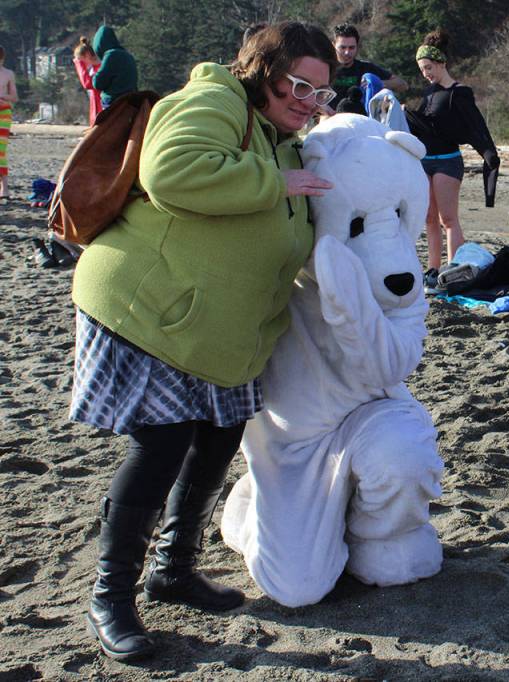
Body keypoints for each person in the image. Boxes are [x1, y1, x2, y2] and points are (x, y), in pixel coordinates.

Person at [69, 21, 337, 661]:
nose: (309, 101)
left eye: (321, 93)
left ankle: (174, 568)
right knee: (160, 445)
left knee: (218, 437)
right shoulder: (213, 100)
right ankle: (111, 596)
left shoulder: (286, 142)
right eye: (299, 84)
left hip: (221, 334)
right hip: (153, 311)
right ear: (261, 71)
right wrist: (278, 184)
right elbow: (174, 170)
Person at [405, 29, 500, 283]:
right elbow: (422, 125)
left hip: (448, 160)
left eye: (428, 67)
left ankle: (454, 269)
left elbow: (476, 125)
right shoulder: (428, 93)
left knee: (447, 219)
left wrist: (488, 152)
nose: (425, 73)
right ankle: (433, 269)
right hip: (424, 160)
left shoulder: (460, 93)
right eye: (422, 69)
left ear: (441, 63)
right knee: (428, 218)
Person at [329, 23, 407, 112]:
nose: (347, 52)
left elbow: (402, 85)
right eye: (342, 48)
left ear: (357, 47)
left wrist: (378, 83)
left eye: (351, 48)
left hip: (362, 122)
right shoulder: (325, 69)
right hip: (331, 120)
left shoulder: (366, 68)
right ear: (333, 46)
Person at [91, 26, 137, 109]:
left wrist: (95, 75)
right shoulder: (128, 55)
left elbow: (98, 83)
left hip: (114, 101)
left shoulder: (111, 55)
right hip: (132, 100)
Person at [0, 46, 17, 203]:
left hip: (3, 113)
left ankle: (4, 187)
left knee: (0, 151)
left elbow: (14, 97)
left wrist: (3, 95)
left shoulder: (8, 74)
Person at [73, 37, 103, 126]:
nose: (81, 64)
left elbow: (87, 84)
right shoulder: (93, 69)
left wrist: (79, 65)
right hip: (97, 107)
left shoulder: (100, 68)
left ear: (87, 55)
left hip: (102, 108)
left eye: (81, 60)